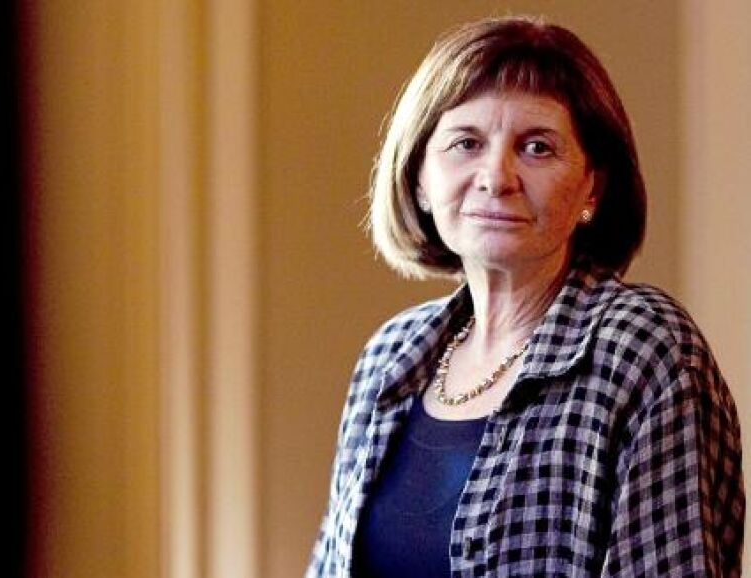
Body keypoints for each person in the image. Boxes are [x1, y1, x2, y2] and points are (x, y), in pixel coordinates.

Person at [306, 15, 744, 578]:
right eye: (466, 143)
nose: (497, 177)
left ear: (592, 185)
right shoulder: (390, 358)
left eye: (537, 147)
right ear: (419, 177)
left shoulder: (642, 349)